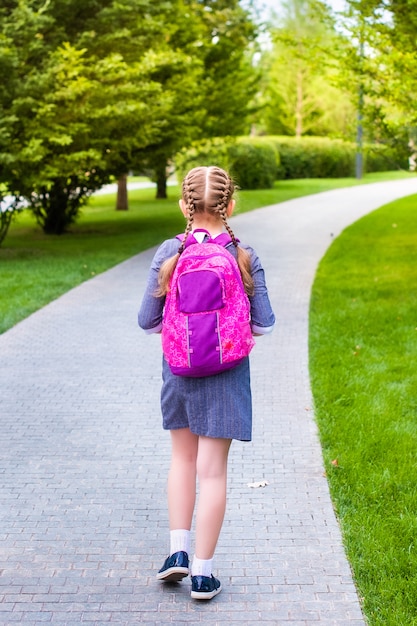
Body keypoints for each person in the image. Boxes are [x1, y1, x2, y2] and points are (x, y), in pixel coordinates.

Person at [138, 165, 275, 600]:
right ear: (230, 205)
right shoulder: (243, 253)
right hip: (227, 375)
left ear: (184, 206)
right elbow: (264, 325)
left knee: (182, 461)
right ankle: (202, 573)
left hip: (178, 372)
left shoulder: (169, 251)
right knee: (212, 473)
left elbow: (147, 322)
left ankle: (175, 553)